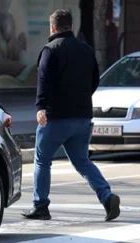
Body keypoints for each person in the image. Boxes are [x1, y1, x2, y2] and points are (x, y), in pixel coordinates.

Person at [20, 9, 121, 222]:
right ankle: (107, 196)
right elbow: (95, 81)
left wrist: (41, 107)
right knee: (82, 161)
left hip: (56, 117)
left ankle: (41, 206)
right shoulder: (86, 50)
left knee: (42, 161)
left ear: (52, 28)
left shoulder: (50, 50)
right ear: (71, 27)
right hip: (83, 117)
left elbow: (44, 82)